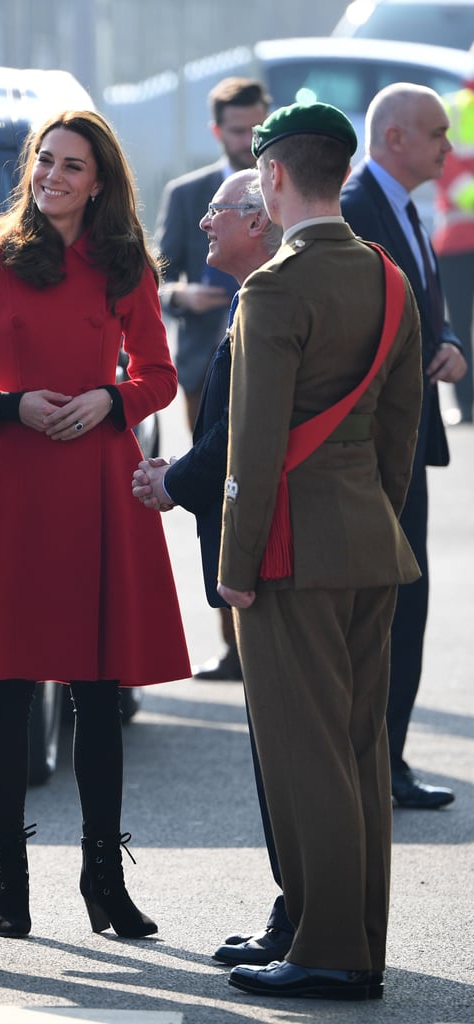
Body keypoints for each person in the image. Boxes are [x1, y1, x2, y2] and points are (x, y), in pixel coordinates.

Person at [0, 109, 191, 940]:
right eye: (46, 161)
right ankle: (10, 879)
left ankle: (102, 880)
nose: (53, 176)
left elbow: (160, 374)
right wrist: (6, 404)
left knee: (96, 689)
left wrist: (112, 397)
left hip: (96, 484)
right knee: (6, 692)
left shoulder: (124, 267)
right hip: (10, 481)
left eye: (73, 165)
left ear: (100, 180)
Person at [218, 101, 423, 1000]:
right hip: (372, 539)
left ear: (270, 178)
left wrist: (235, 565)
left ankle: (331, 949)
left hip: (293, 549)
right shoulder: (389, 276)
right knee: (358, 750)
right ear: (343, 171)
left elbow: (254, 447)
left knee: (306, 753)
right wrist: (374, 514)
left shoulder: (274, 287)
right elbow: (402, 429)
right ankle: (341, 935)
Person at [132, 168, 294, 966]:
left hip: (271, 557)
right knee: (282, 752)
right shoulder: (255, 293)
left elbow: (241, 435)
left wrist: (172, 482)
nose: (202, 224)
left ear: (259, 221)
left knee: (289, 754)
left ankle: (303, 920)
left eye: (218, 213)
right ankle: (295, 911)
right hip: (271, 549)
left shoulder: (268, 297)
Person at [342, 83, 467, 809]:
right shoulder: (358, 208)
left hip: (407, 443)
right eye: (437, 135)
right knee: (383, 608)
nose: (450, 149)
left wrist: (447, 340)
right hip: (373, 450)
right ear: (394, 139)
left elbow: (424, 303)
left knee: (407, 603)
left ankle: (390, 760)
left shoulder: (403, 204)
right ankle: (373, 765)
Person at [154, 76, 271, 683]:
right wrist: (182, 295)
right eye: (236, 129)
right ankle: (233, 642)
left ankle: (254, 631)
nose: (247, 139)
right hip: (205, 362)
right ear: (215, 130)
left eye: (258, 127)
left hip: (265, 355)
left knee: (241, 478)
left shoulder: (283, 190)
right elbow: (155, 277)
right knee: (219, 485)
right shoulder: (189, 194)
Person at [433, 50, 474, 426]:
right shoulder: (457, 109)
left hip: (458, 239)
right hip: (459, 240)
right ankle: (466, 402)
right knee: (460, 324)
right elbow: (449, 173)